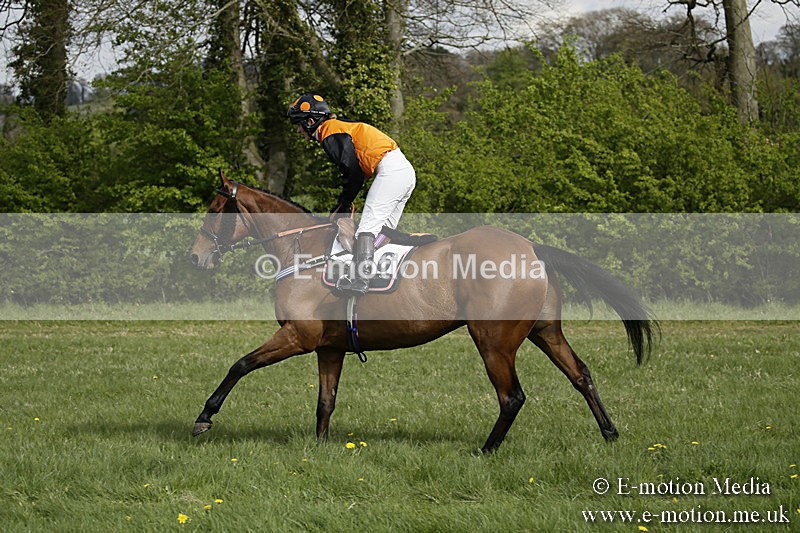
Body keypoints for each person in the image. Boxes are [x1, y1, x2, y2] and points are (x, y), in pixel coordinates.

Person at [287, 93, 416, 296]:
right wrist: (345, 202)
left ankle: (361, 280)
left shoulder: (329, 132)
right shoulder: (338, 126)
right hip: (404, 171)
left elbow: (352, 172)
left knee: (366, 230)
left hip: (390, 170)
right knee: (385, 231)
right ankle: (383, 275)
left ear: (310, 122)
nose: (298, 130)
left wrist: (344, 204)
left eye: (299, 124)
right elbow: (354, 171)